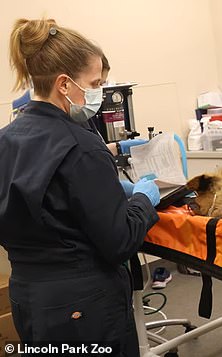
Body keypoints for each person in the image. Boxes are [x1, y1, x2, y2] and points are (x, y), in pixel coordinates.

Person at [0, 18, 161, 356]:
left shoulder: (7, 139)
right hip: (85, 306)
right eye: (96, 83)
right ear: (64, 84)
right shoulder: (82, 147)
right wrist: (143, 202)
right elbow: (119, 242)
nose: (99, 93)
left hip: (30, 299)